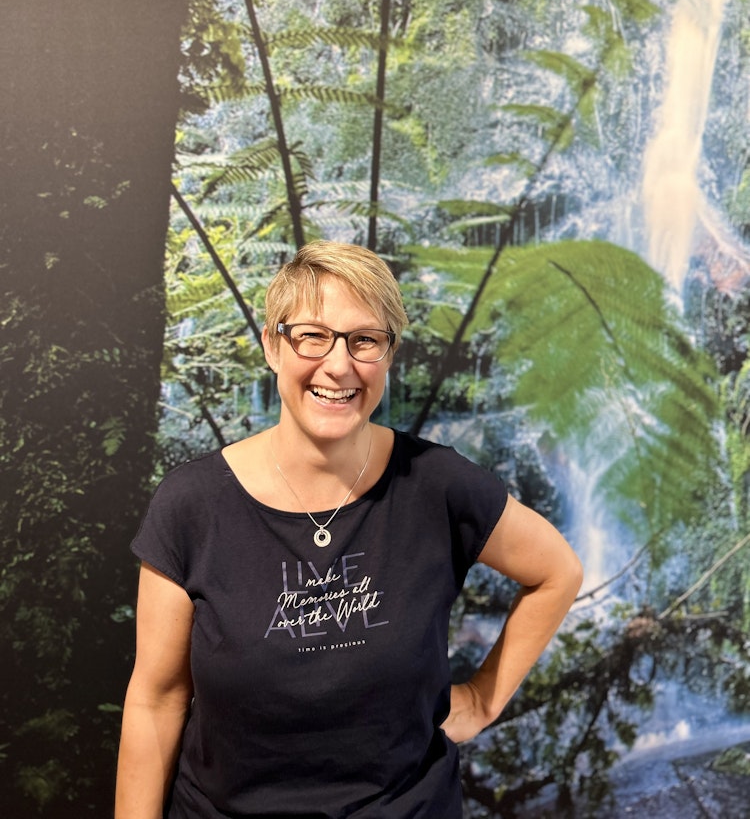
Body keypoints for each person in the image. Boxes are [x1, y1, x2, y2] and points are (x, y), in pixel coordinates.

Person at [115, 240, 583, 819]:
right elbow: (156, 700)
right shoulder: (192, 505)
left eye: (364, 340)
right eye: (312, 335)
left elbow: (557, 571)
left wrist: (484, 702)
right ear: (272, 345)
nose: (339, 365)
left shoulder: (437, 485)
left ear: (389, 354)